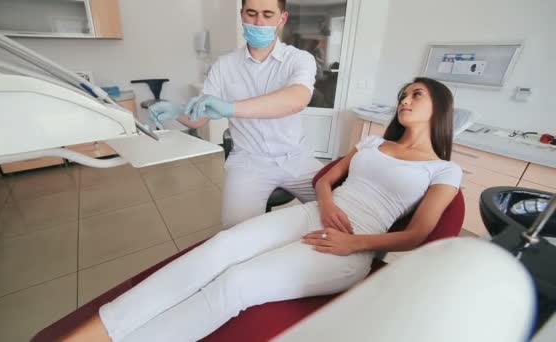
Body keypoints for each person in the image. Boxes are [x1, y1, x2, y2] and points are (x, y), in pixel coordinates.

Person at [63, 77, 462, 341]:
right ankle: (99, 331)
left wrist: (355, 243)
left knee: (237, 283)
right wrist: (323, 201)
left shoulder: (443, 169)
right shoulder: (374, 143)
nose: (404, 101)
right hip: (315, 213)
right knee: (219, 248)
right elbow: (326, 179)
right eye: (403, 96)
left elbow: (418, 234)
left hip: (348, 245)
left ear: (440, 106)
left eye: (416, 95)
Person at [148, 0, 324, 229]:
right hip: (249, 161)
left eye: (267, 14)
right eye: (251, 13)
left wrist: (230, 108)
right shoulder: (224, 66)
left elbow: (297, 99)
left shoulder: (299, 59)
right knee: (236, 232)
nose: (258, 22)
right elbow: (200, 118)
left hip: (296, 158)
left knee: (342, 210)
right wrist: (177, 110)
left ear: (282, 19)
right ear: (242, 15)